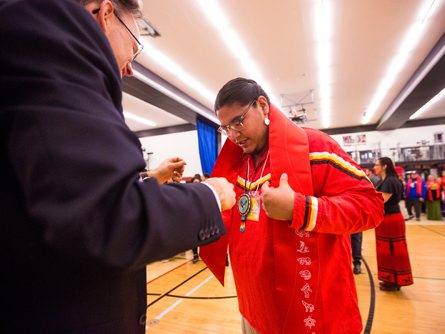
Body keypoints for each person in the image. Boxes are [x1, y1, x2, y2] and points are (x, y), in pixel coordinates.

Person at [0, 0, 237, 332]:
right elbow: (103, 220)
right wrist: (208, 196)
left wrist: (150, 181)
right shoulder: (48, 27)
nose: (129, 69)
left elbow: (56, 190)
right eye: (135, 49)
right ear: (106, 13)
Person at [200, 78, 384, 333]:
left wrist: (301, 208)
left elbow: (370, 206)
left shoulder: (315, 147)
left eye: (238, 121)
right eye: (226, 127)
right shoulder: (237, 162)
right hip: (253, 307)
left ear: (262, 106)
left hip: (309, 309)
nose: (233, 134)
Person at [373, 157, 414, 291]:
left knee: (392, 250)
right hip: (387, 219)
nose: (375, 167)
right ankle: (391, 280)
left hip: (390, 219)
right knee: (387, 250)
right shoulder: (386, 180)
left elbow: (381, 201)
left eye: (377, 165)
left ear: (384, 166)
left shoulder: (390, 181)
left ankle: (395, 280)